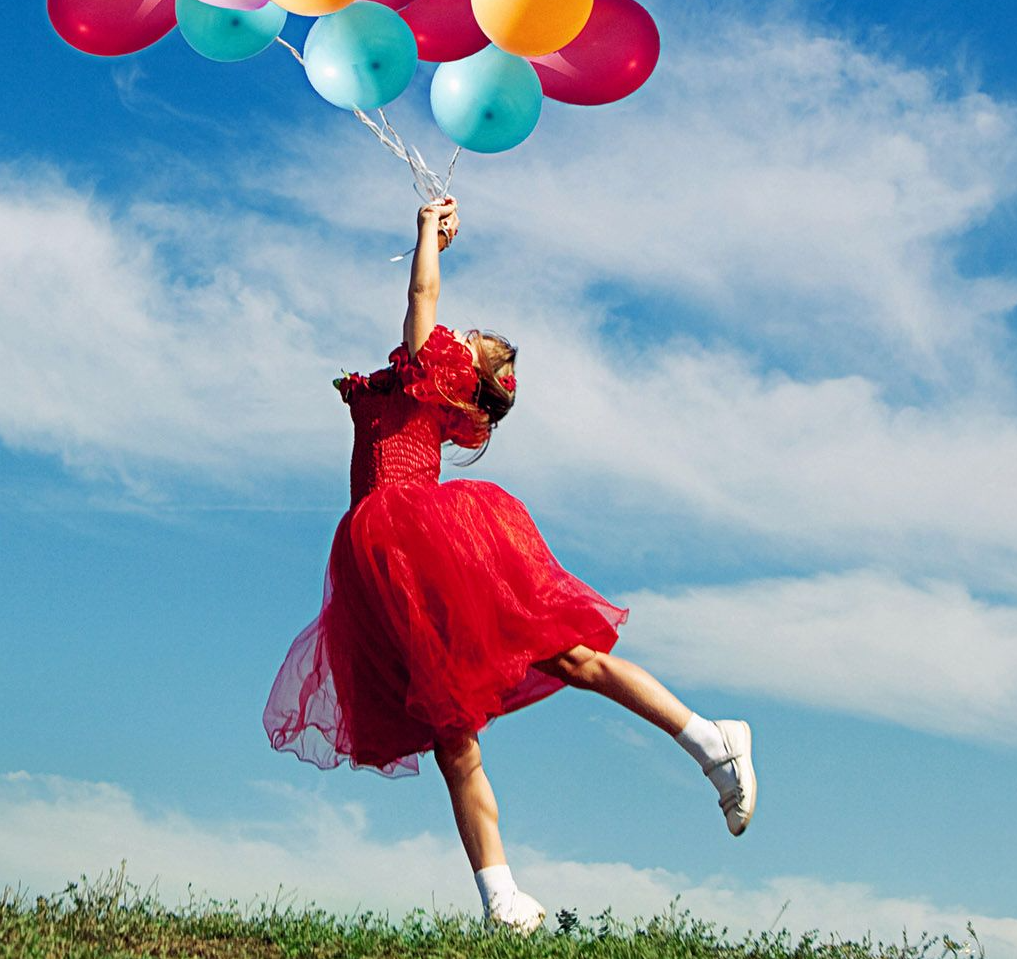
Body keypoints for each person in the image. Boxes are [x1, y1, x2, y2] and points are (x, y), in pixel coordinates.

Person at [264, 196, 756, 932]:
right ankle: (504, 899)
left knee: (573, 659)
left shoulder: (422, 380)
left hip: (422, 546)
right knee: (451, 736)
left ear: (458, 379)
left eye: (470, 343)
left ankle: (713, 739)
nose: (457, 336)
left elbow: (421, 292)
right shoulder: (412, 387)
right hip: (382, 569)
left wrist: (427, 233)